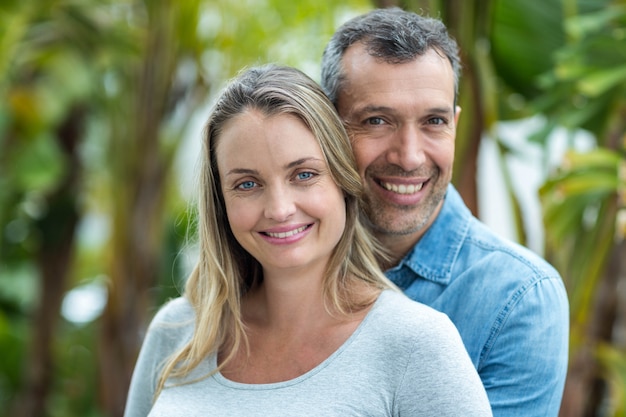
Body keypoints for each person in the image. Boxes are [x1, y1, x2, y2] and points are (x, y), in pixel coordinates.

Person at [123, 64, 492, 416]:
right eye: (247, 184)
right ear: (221, 202)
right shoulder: (177, 331)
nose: (280, 209)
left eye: (303, 174)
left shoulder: (417, 344)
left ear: (342, 182)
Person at [320, 7, 569, 417]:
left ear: (454, 124)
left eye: (433, 121)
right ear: (326, 125)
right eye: (378, 120)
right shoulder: (276, 263)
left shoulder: (520, 297)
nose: (409, 156)